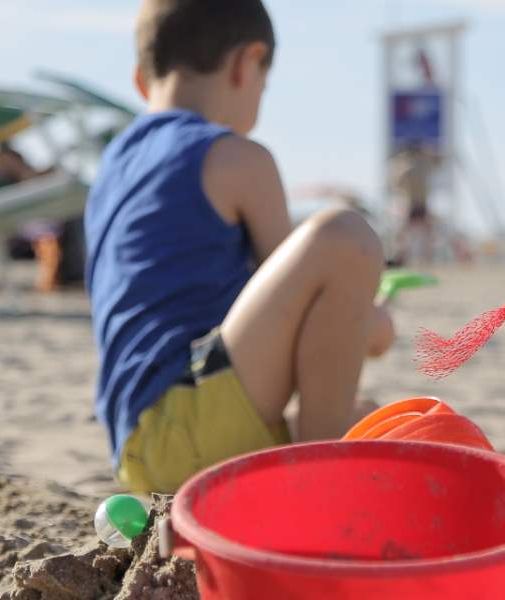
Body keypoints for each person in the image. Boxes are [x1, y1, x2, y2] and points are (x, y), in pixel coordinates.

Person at [88, 0, 394, 495]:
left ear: (141, 81)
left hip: (136, 448)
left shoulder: (113, 167)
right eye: (264, 84)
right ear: (246, 63)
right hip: (191, 419)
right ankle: (324, 497)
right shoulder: (235, 157)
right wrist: (375, 321)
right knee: (346, 238)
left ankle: (315, 463)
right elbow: (319, 281)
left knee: (364, 419)